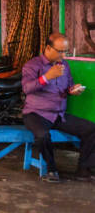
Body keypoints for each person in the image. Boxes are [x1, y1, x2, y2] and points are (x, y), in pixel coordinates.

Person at [22, 33, 95, 183]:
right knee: (42, 135)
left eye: (65, 52)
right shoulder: (32, 65)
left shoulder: (65, 65)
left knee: (91, 129)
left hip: (59, 114)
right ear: (48, 48)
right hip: (36, 114)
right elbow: (26, 88)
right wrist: (46, 77)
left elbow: (68, 86)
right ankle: (52, 170)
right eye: (60, 51)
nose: (63, 55)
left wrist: (73, 90)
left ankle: (83, 170)